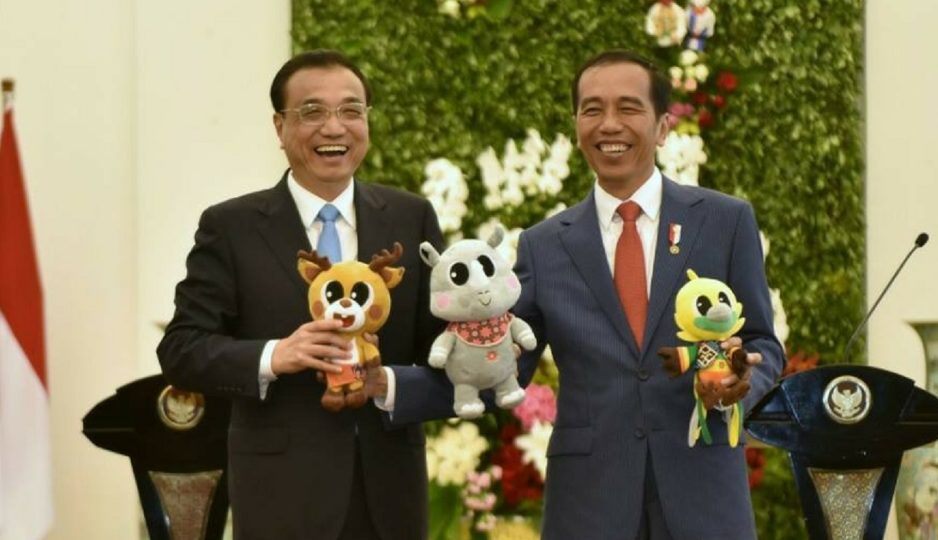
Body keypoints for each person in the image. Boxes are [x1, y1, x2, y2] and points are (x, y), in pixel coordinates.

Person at [387, 49, 785, 539]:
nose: (609, 124)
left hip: (705, 496)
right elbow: (497, 363)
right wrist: (387, 385)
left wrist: (738, 385)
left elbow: (764, 343)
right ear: (576, 125)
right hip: (590, 505)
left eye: (629, 108)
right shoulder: (544, 244)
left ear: (662, 126)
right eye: (592, 110)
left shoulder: (724, 222)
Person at [157, 49, 443, 540]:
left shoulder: (410, 219)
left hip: (389, 498)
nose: (334, 128)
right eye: (312, 112)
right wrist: (275, 355)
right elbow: (182, 349)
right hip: (279, 498)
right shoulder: (231, 227)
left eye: (351, 111)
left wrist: (390, 385)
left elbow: (443, 355)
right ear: (279, 126)